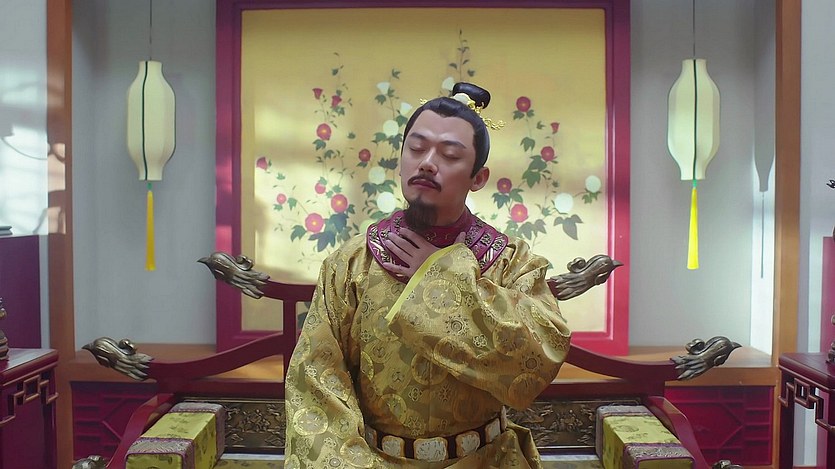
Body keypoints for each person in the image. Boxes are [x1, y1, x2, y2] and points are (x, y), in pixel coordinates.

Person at [284, 82, 571, 468]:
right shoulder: (351, 263)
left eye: (450, 154)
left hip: (487, 461)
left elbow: (538, 358)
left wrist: (441, 274)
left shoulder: (510, 261)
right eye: (416, 148)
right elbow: (316, 385)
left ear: (478, 177)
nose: (427, 163)